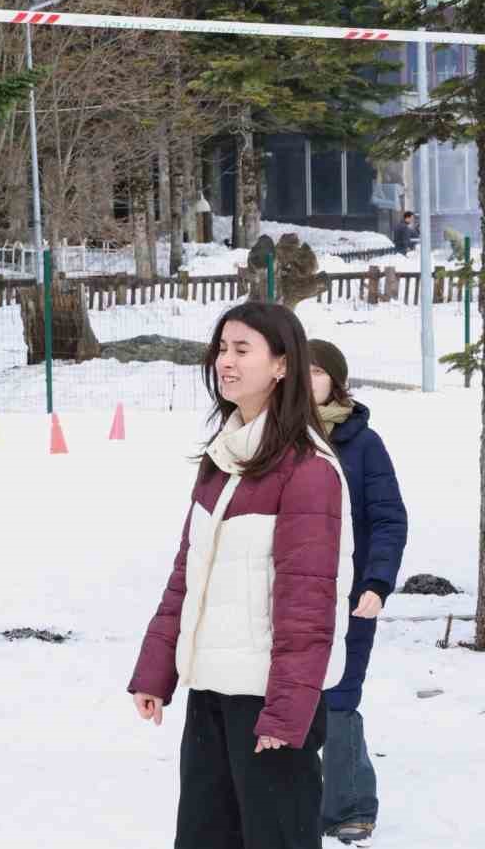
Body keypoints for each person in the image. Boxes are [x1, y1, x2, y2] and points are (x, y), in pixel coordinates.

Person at [128, 300, 353, 849]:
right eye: (221, 349)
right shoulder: (223, 458)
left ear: (281, 366)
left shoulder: (308, 471)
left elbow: (309, 606)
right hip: (211, 690)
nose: (224, 362)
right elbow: (188, 574)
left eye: (241, 350)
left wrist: (284, 713)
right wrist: (157, 668)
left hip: (269, 705)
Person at [308, 339, 409, 848]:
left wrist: (377, 582)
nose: (307, 380)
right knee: (288, 695)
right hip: (287, 595)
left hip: (349, 596)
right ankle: (291, 797)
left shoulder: (363, 444)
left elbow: (389, 519)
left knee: (340, 696)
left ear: (336, 381)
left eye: (317, 371)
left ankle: (349, 805)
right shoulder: (271, 438)